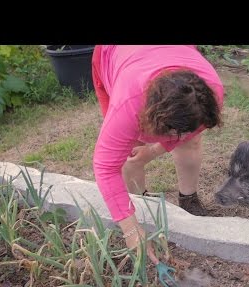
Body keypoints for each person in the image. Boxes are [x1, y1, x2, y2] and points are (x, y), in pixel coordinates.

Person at [91, 45, 224, 264]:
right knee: (128, 151)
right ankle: (143, 205)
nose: (179, 136)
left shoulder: (209, 92)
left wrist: (152, 151)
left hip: (167, 52)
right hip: (116, 54)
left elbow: (192, 131)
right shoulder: (128, 106)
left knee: (191, 141)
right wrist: (131, 230)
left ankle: (189, 200)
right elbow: (106, 167)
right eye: (172, 132)